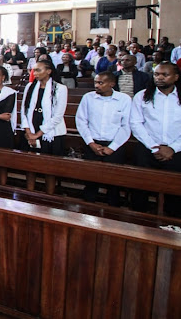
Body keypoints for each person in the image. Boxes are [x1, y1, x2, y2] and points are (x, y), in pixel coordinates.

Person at [129, 63, 181, 216]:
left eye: (165, 75)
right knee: (141, 189)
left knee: (175, 193)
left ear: (176, 77)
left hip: (176, 151)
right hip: (147, 149)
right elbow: (136, 123)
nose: (159, 77)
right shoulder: (143, 96)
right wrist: (154, 146)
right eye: (156, 74)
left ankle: (172, 225)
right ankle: (139, 221)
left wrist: (172, 148)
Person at [75, 71, 132, 206]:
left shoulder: (124, 99)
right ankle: (88, 207)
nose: (97, 85)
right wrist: (91, 143)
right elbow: (81, 121)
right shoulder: (88, 97)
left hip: (114, 145)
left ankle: (113, 209)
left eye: (101, 83)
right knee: (90, 179)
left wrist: (112, 147)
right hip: (92, 143)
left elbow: (126, 126)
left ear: (112, 84)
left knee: (113, 182)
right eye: (96, 82)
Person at [21, 60, 68, 155]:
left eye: (38, 70)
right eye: (34, 71)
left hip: (51, 131)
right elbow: (24, 110)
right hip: (32, 125)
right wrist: (29, 133)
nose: (35, 73)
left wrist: (37, 135)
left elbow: (58, 116)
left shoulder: (60, 89)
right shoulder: (30, 86)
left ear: (48, 71)